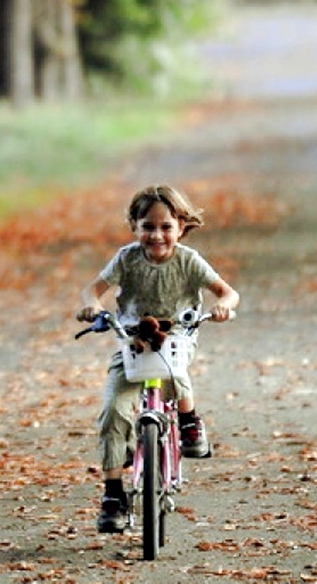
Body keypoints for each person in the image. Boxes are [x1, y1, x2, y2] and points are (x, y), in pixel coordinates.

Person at [75, 184, 239, 533]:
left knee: (174, 367)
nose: (157, 235)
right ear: (134, 227)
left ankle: (189, 419)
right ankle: (113, 493)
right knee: (113, 411)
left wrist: (223, 305)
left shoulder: (189, 261)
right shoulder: (126, 258)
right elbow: (93, 289)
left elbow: (227, 291)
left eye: (166, 226)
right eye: (148, 226)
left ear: (181, 227)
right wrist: (93, 305)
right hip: (132, 340)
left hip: (177, 335)